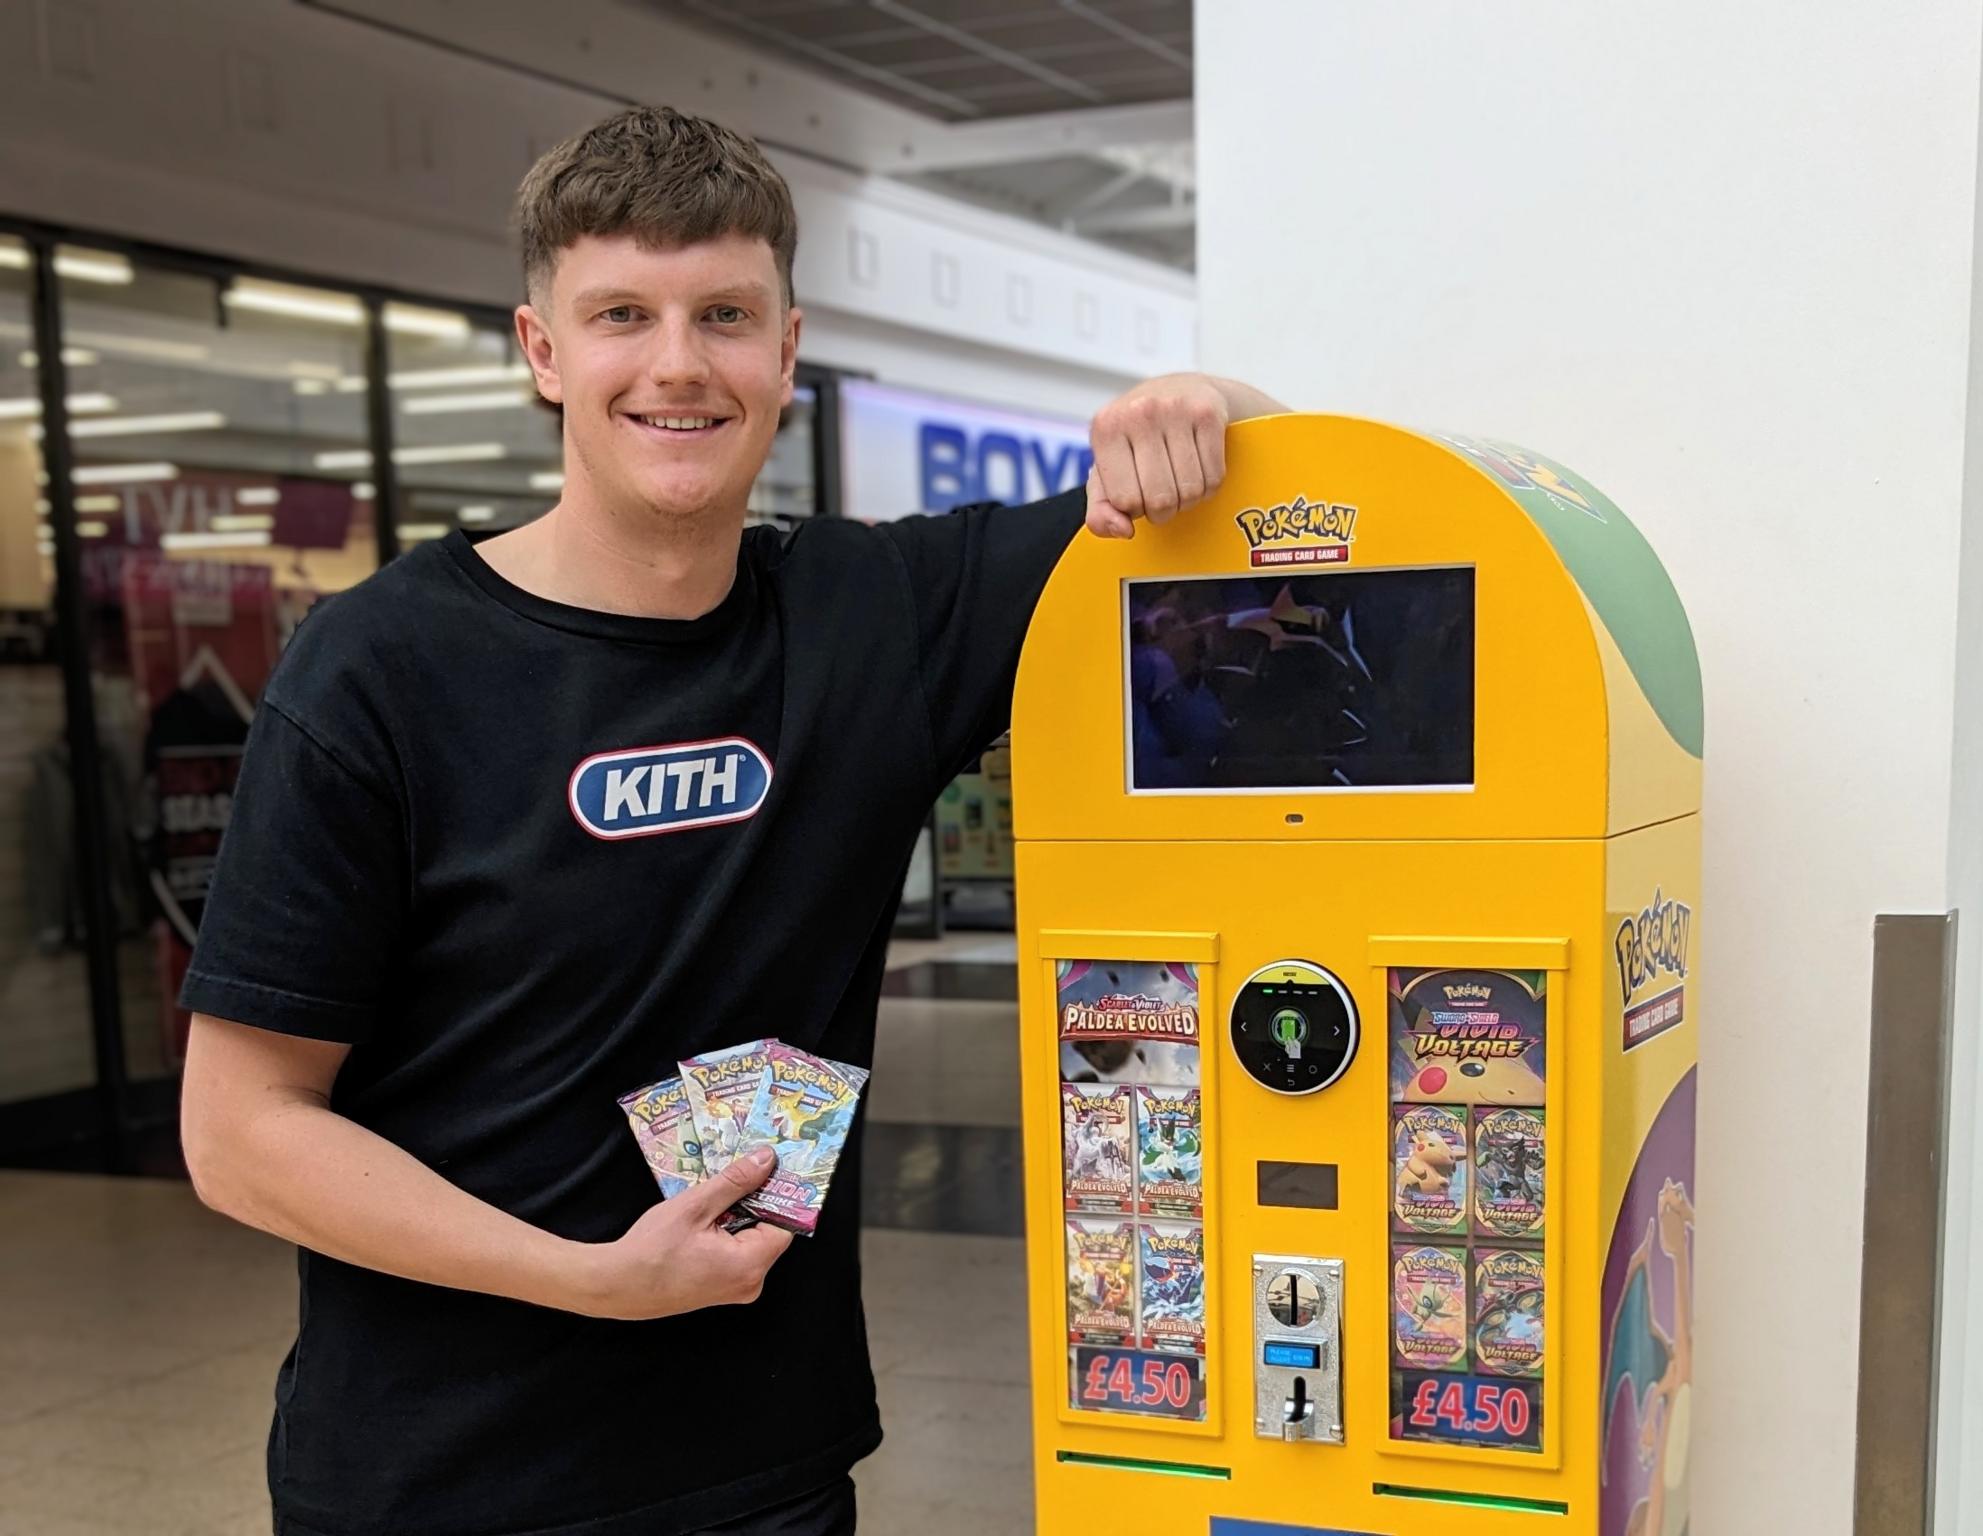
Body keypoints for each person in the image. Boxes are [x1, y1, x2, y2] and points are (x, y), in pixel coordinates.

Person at [178, 105, 1286, 1536]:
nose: (678, 362)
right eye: (621, 313)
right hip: (436, 1480)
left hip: (760, 1468)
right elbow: (241, 1128)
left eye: (724, 314)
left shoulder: (880, 617)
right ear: (543, 351)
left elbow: (1264, 478)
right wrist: (588, 1278)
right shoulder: (379, 673)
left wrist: (1202, 400)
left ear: (786, 350)